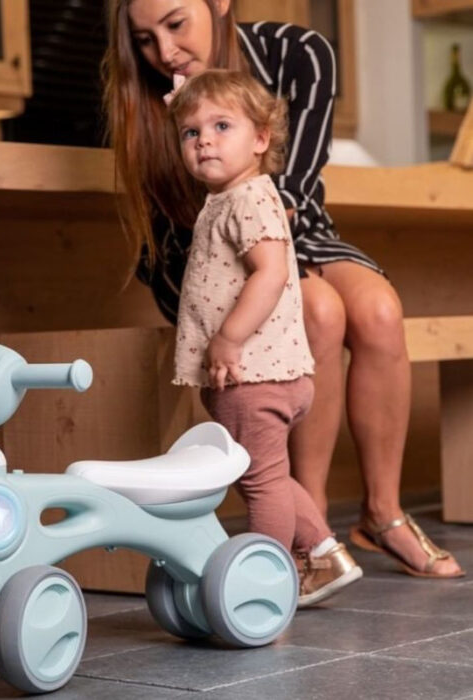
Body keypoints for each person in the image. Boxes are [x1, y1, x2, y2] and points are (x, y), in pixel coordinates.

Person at [103, 0, 463, 577]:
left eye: (175, 24)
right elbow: (178, 228)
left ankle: (382, 513)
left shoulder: (298, 53)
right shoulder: (145, 95)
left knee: (378, 310)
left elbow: (288, 193)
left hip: (286, 222)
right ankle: (309, 519)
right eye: (145, 39)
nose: (164, 52)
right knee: (319, 308)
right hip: (199, 256)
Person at [168, 68, 362, 605]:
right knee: (266, 473)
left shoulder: (247, 199)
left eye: (221, 126)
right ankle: (324, 553)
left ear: (260, 139)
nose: (204, 140)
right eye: (190, 132)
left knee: (259, 483)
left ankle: (265, 585)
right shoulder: (231, 198)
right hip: (263, 374)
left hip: (254, 375)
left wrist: (228, 339)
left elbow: (271, 274)